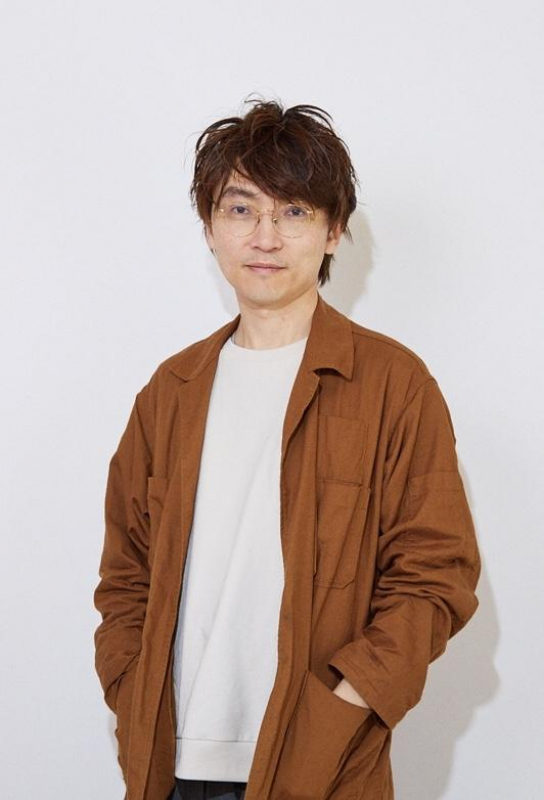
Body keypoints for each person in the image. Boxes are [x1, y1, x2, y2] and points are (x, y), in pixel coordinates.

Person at [93, 98, 481, 800]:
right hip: (168, 763)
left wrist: (348, 702)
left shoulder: (393, 385)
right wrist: (129, 683)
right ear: (210, 228)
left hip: (320, 767)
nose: (265, 237)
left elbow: (435, 577)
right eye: (241, 209)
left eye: (293, 211)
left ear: (333, 231)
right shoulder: (171, 391)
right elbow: (126, 574)